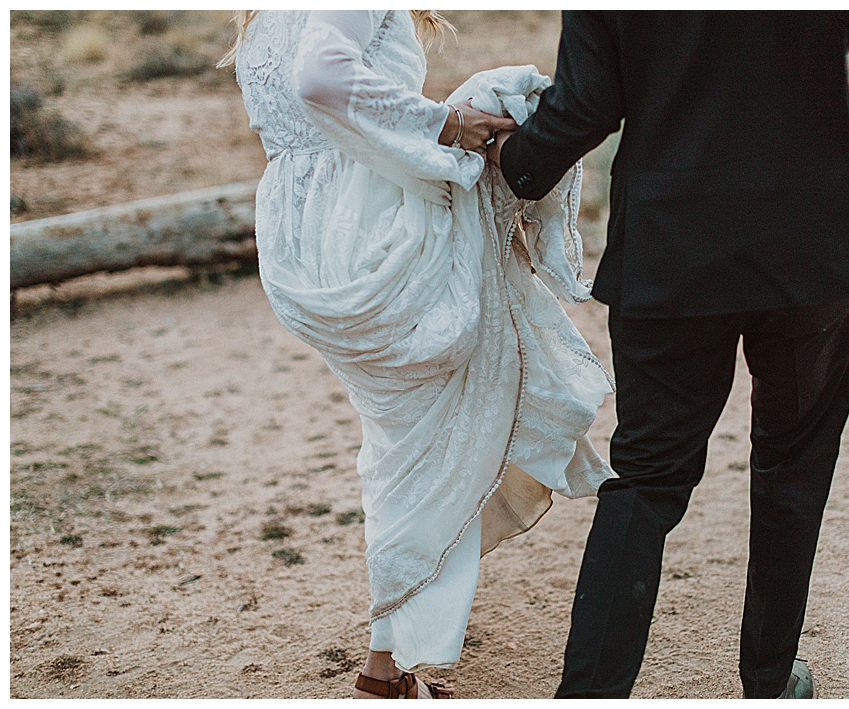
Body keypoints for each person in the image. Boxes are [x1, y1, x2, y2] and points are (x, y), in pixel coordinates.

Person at [492, 10, 849, 699]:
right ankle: (769, 679)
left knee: (645, 478)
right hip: (814, 234)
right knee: (794, 463)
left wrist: (509, 164)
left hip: (672, 244)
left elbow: (588, 103)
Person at [221, 10, 615, 698]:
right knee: (424, 442)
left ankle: (389, 655)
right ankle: (391, 648)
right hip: (376, 232)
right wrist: (450, 125)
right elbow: (320, 78)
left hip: (305, 241)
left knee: (401, 443)